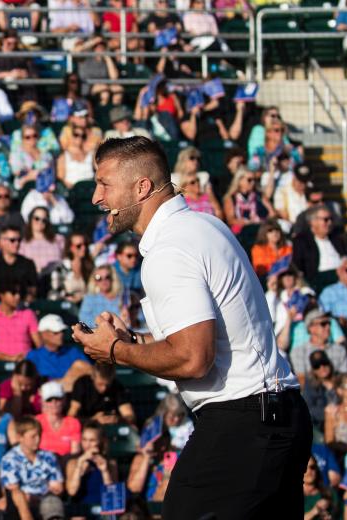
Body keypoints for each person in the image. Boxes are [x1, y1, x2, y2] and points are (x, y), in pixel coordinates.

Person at [73, 136, 310, 519]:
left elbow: (193, 358)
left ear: (142, 187)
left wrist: (115, 352)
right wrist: (132, 340)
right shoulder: (204, 225)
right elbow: (204, 337)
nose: (97, 198)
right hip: (275, 416)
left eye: (105, 184)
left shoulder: (169, 249)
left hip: (244, 423)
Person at [0, 416, 65, 520]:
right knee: (20, 498)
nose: (38, 439)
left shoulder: (49, 457)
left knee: (52, 503)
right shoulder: (9, 460)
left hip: (46, 500)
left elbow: (57, 487)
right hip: (22, 502)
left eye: (39, 435)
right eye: (33, 436)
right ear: (20, 437)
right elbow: (13, 489)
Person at [0, 279, 41, 362]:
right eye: (13, 293)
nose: (18, 296)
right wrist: (8, 358)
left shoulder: (28, 314)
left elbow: (39, 345)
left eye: (19, 293)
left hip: (25, 364)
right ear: (1, 294)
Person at [64, 421, 117, 517]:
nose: (87, 445)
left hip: (103, 508)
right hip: (81, 509)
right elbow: (72, 491)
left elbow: (112, 496)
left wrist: (105, 471)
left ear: (100, 441)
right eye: (84, 440)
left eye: (92, 440)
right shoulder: (73, 463)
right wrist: (79, 466)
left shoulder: (110, 463)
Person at [26, 315, 92, 390]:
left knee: (81, 365)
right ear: (44, 334)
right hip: (46, 397)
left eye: (62, 331)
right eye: (56, 332)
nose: (61, 334)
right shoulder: (33, 356)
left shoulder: (73, 352)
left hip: (73, 395)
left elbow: (90, 372)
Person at [289, 308, 347, 387]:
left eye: (329, 323)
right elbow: (301, 380)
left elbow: (346, 378)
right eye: (323, 324)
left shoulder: (340, 350)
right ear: (311, 328)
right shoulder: (298, 352)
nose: (328, 327)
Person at [292, 205, 347, 290]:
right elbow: (298, 264)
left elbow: (346, 255)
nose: (329, 223)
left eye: (331, 219)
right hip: (319, 277)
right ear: (313, 222)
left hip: (343, 273)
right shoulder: (302, 240)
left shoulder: (336, 238)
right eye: (325, 220)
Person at [35, 381, 81, 458]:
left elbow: (75, 453)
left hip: (66, 464)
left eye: (58, 399)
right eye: (49, 400)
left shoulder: (73, 423)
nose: (54, 402)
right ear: (43, 402)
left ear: (64, 400)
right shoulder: (36, 422)